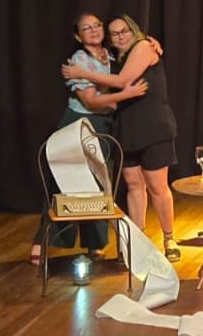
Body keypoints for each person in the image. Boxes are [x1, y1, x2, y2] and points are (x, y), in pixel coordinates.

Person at [62, 13, 182, 261]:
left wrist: (80, 73)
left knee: (157, 186)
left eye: (124, 31)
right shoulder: (112, 57)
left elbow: (124, 80)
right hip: (127, 128)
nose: (120, 36)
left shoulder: (144, 47)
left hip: (153, 126)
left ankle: (169, 239)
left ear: (134, 30)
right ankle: (138, 242)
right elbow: (105, 87)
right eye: (115, 33)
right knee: (134, 186)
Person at [30, 13, 147, 266]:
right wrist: (125, 95)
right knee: (64, 183)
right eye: (86, 27)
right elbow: (91, 101)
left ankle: (95, 244)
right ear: (78, 35)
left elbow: (140, 47)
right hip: (79, 122)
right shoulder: (79, 60)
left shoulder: (111, 54)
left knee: (99, 183)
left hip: (104, 124)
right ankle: (42, 240)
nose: (93, 30)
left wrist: (153, 42)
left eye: (97, 25)